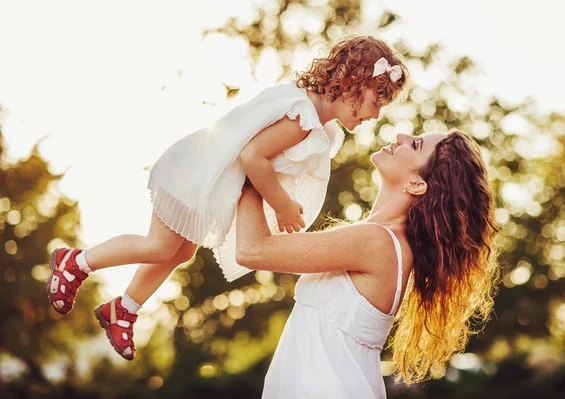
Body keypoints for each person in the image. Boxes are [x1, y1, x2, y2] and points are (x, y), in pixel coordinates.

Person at [45, 35, 409, 360]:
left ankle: (122, 309)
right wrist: (281, 204)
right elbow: (252, 156)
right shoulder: (302, 117)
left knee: (181, 251)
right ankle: (76, 262)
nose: (375, 114)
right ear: (351, 84)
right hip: (197, 175)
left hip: (204, 178)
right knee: (159, 245)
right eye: (377, 101)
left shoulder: (312, 119)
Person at [235, 129, 500, 398]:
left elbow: (251, 250)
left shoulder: (376, 242)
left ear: (417, 184)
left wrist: (254, 165)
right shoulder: (384, 241)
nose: (400, 135)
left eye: (415, 143)